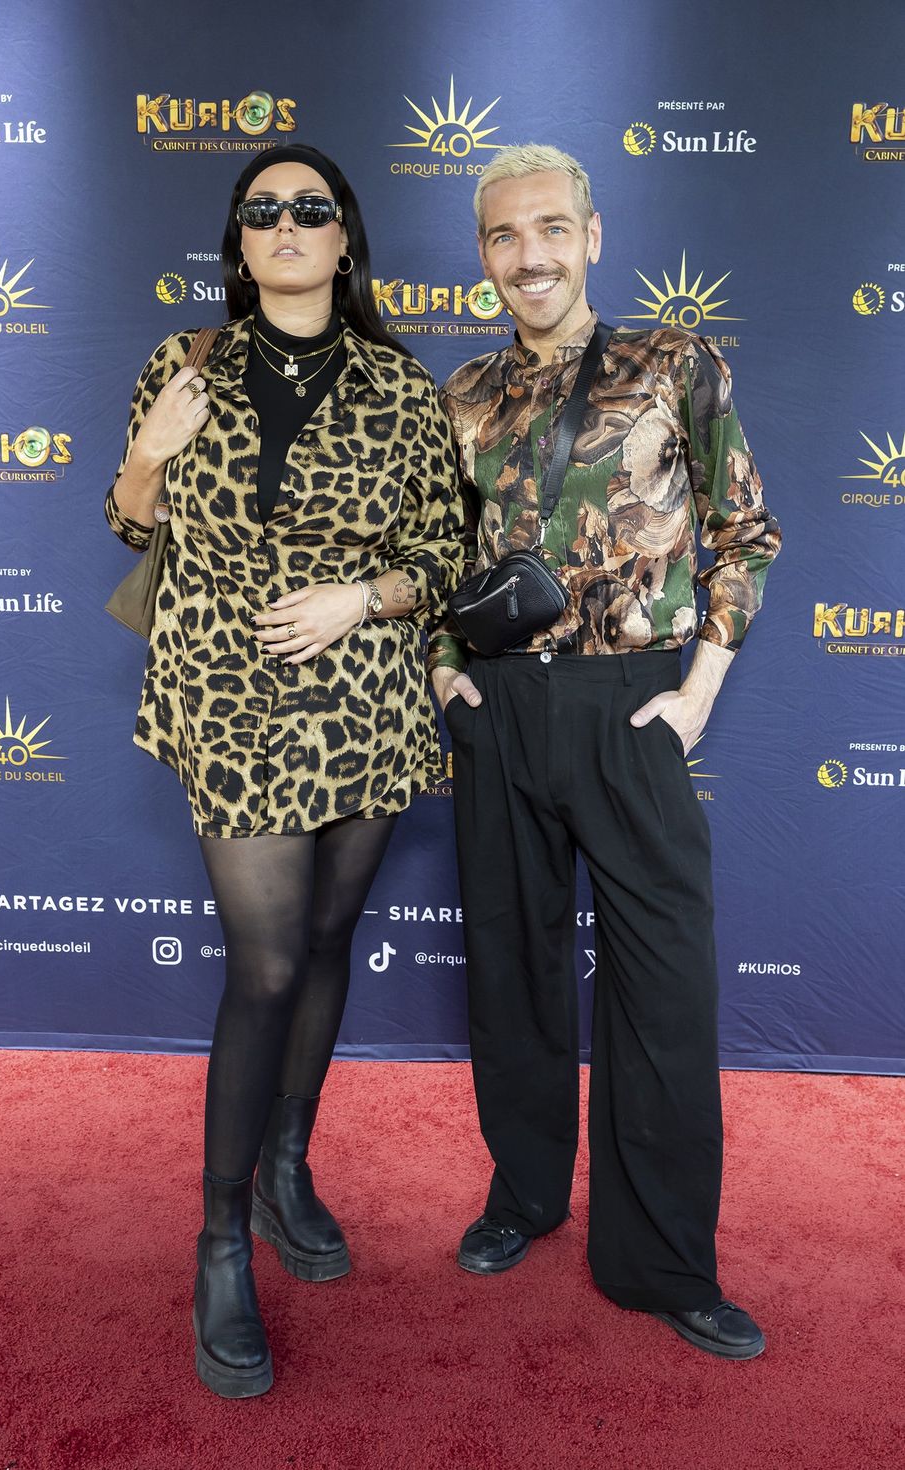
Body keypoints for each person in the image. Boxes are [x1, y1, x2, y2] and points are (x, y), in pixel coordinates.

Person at [106, 145, 464, 1397]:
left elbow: (440, 547)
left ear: (345, 239)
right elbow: (131, 523)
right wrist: (148, 450)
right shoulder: (185, 365)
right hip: (225, 694)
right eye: (263, 212)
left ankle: (286, 1168)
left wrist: (358, 594)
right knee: (261, 964)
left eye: (311, 207)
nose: (287, 225)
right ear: (239, 245)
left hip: (360, 700)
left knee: (321, 944)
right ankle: (218, 1244)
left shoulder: (401, 387)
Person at [428, 144, 781, 1360]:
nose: (526, 257)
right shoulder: (461, 390)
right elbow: (437, 560)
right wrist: (441, 668)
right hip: (500, 714)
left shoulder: (673, 361)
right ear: (482, 255)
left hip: (635, 706)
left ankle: (665, 1259)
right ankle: (524, 1195)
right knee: (512, 974)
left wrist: (696, 692)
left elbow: (745, 532)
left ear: (590, 232)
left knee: (662, 994)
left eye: (547, 230)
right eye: (500, 238)